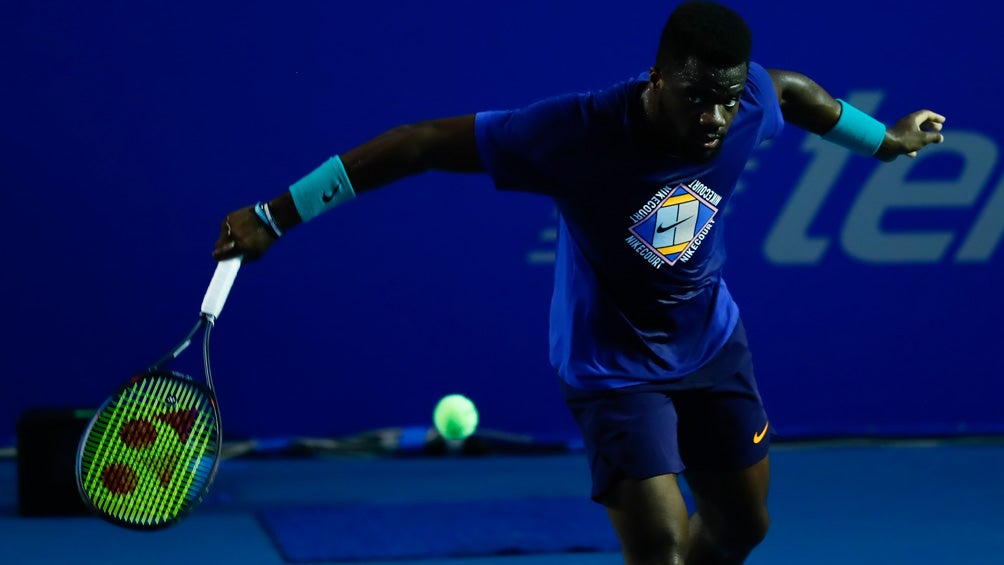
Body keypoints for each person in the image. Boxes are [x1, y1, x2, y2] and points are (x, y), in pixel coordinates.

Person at [212, 2, 945, 563]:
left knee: (744, 527)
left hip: (712, 341)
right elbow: (421, 144)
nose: (716, 117)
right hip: (611, 362)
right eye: (697, 98)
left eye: (725, 99)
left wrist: (886, 142)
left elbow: (793, 94)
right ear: (658, 78)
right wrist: (278, 215)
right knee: (658, 541)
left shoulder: (746, 99)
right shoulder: (573, 135)